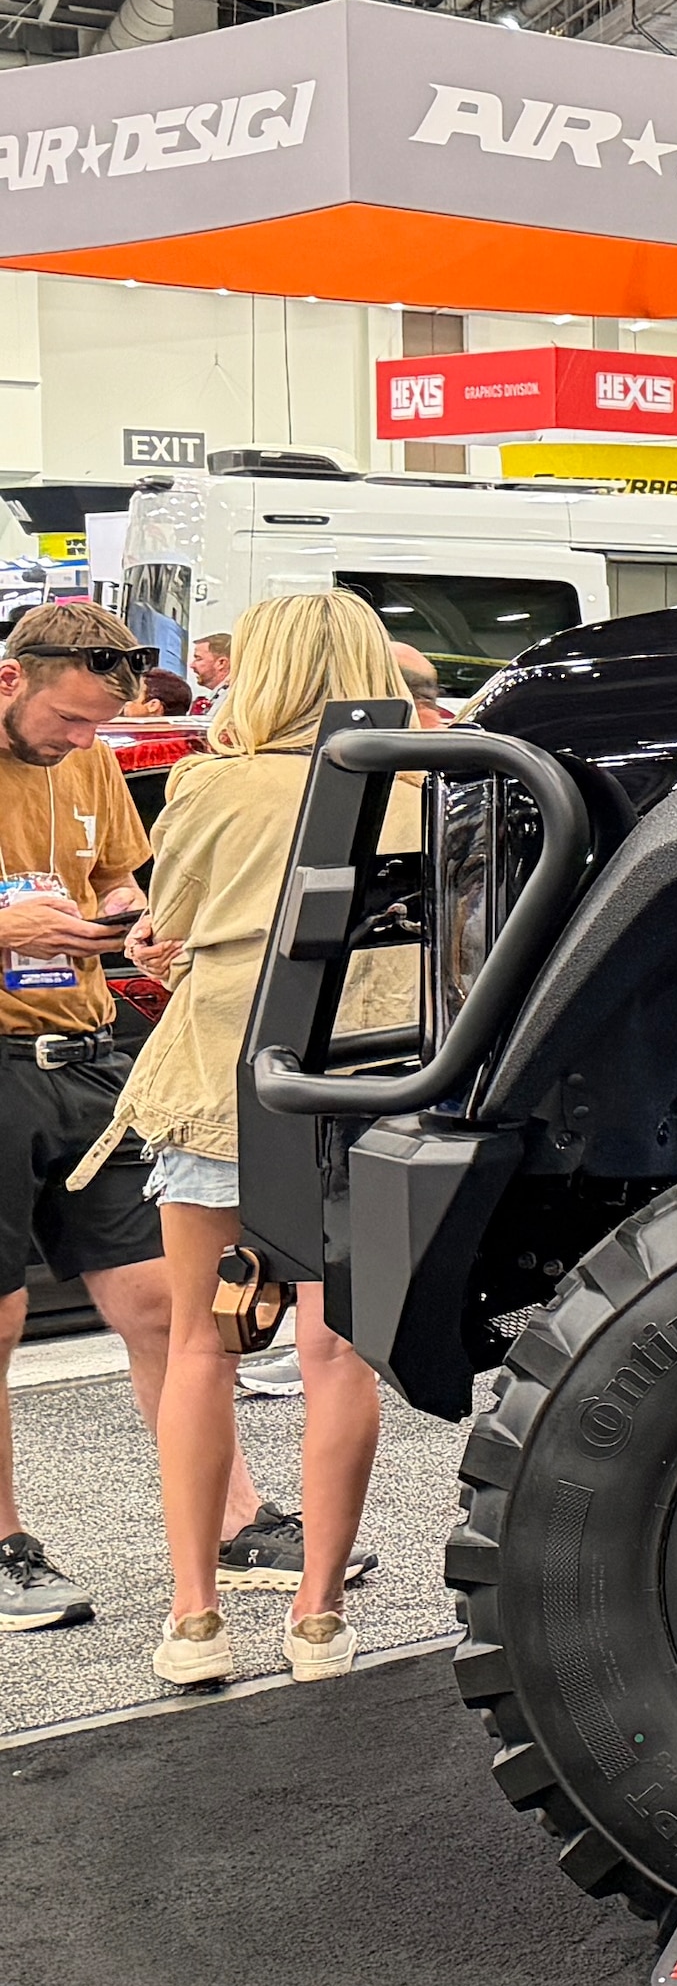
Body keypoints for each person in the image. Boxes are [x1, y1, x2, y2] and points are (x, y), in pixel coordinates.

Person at [111, 591, 405, 1689]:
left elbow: (171, 925)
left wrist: (156, 944)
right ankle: (318, 1619)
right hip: (369, 1087)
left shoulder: (211, 784)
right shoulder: (423, 785)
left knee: (201, 1346)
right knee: (335, 1353)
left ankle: (195, 1620)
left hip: (224, 1084)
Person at [0, 598, 208, 1634]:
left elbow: (116, 878)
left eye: (98, 726)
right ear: (11, 680)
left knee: (162, 1304)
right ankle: (5, 1547)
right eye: (70, 720)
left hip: (85, 1056)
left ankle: (224, 1523)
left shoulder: (87, 763)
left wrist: (135, 923)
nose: (84, 742)